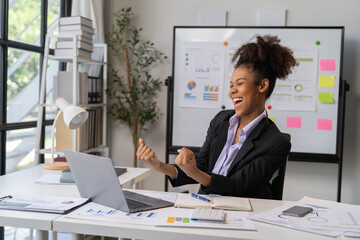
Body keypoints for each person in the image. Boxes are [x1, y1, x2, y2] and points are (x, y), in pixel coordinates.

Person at [137, 35, 296, 199]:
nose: (232, 91)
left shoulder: (276, 143)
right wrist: (159, 166)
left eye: (239, 84)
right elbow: (201, 164)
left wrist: (194, 172)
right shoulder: (221, 121)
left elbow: (238, 186)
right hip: (206, 205)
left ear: (262, 85)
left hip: (242, 215)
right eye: (231, 85)